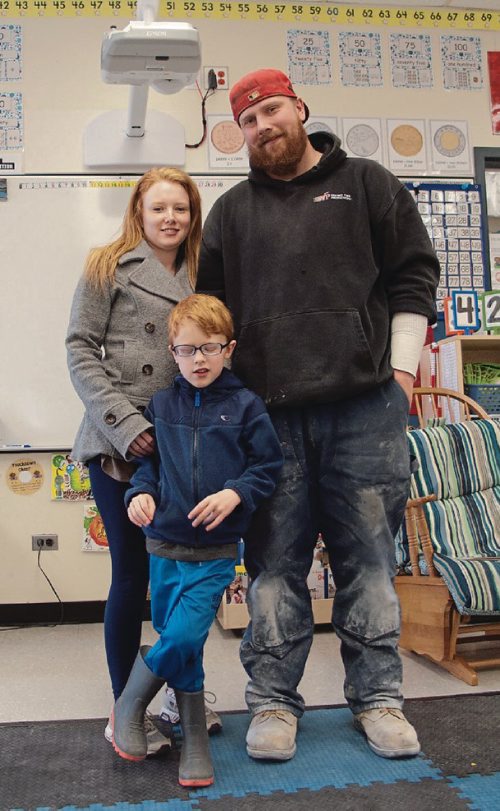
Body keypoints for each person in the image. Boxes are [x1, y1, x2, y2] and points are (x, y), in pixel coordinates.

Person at [196, 68, 441, 761]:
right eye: (247, 120)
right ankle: (273, 701)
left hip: (365, 411)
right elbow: (212, 314)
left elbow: (415, 274)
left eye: (271, 110)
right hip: (267, 422)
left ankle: (379, 698)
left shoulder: (366, 183)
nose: (261, 126)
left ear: (299, 108)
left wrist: (396, 372)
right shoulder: (231, 213)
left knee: (369, 561)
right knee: (274, 565)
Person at [66, 167, 220, 754]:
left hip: (189, 438)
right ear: (139, 210)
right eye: (159, 208)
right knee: (131, 576)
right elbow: (80, 349)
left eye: (180, 207)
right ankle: (123, 705)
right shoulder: (107, 263)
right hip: (120, 442)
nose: (170, 218)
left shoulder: (206, 268)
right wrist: (127, 428)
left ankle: (184, 697)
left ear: (192, 212)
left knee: (183, 577)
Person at [111, 293, 283, 786]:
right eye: (187, 350)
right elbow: (150, 468)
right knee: (182, 645)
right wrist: (138, 497)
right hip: (162, 546)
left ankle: (131, 698)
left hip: (215, 550)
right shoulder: (161, 404)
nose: (198, 360)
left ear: (228, 349)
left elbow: (268, 466)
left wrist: (236, 492)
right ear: (172, 353)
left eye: (209, 348)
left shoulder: (247, 405)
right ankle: (195, 741)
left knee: (185, 634)